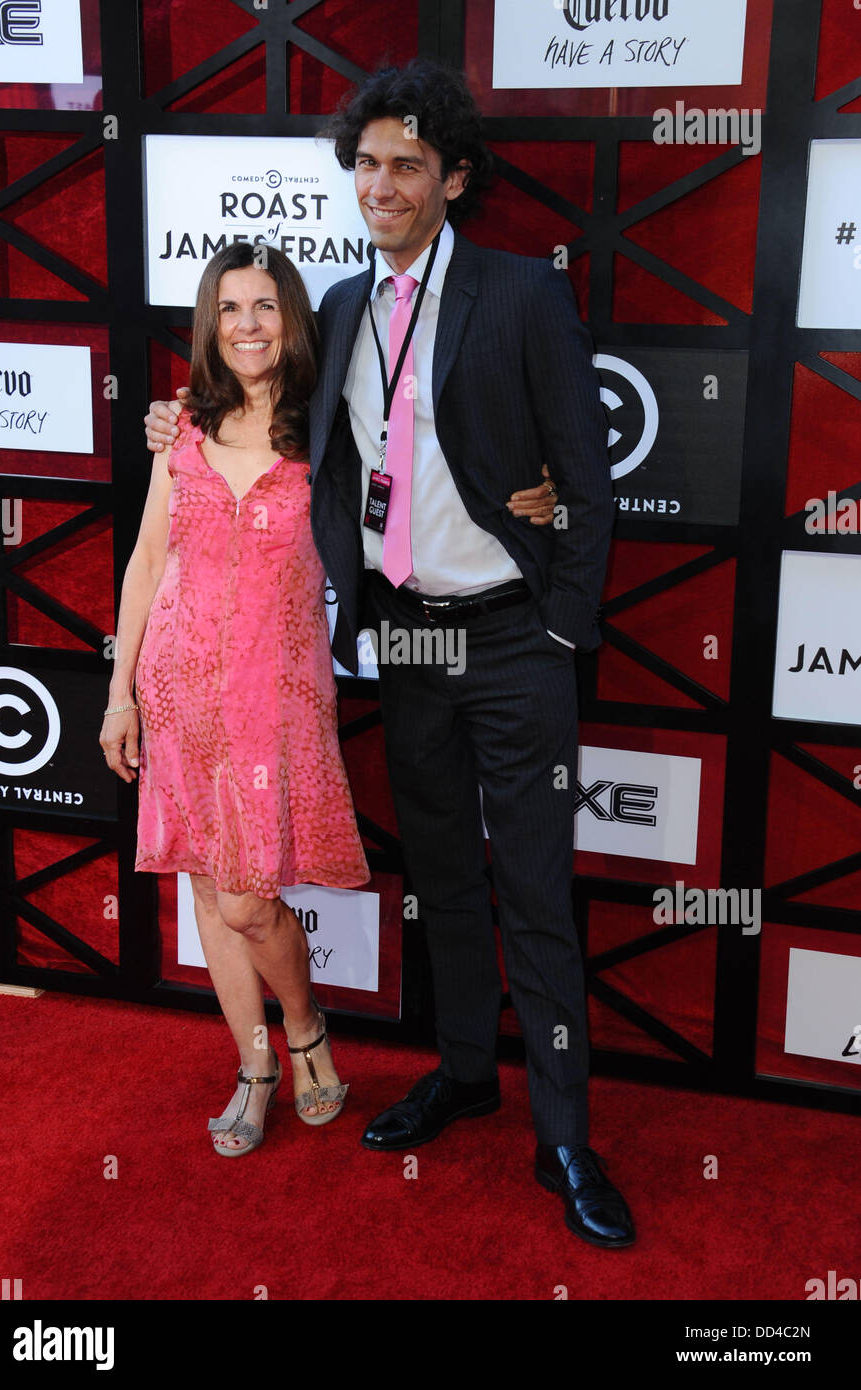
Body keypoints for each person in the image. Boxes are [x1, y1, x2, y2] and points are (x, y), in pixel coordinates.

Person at [145, 58, 632, 1248]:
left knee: (533, 894)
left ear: (453, 177)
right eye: (365, 163)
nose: (381, 185)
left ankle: (564, 1136)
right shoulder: (341, 308)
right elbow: (264, 420)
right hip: (406, 644)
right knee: (445, 883)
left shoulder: (521, 293)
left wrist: (562, 621)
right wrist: (175, 420)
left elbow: (587, 475)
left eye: (407, 164)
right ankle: (463, 1072)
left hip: (513, 637)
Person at [103, 242, 371, 1156]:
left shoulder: (327, 427)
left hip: (275, 694)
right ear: (208, 324)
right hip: (177, 689)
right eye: (228, 308)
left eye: (264, 306)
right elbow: (148, 559)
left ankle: (305, 1029)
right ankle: (256, 1066)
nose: (246, 325)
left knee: (251, 902)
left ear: (291, 318)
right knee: (209, 889)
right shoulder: (182, 425)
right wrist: (120, 694)